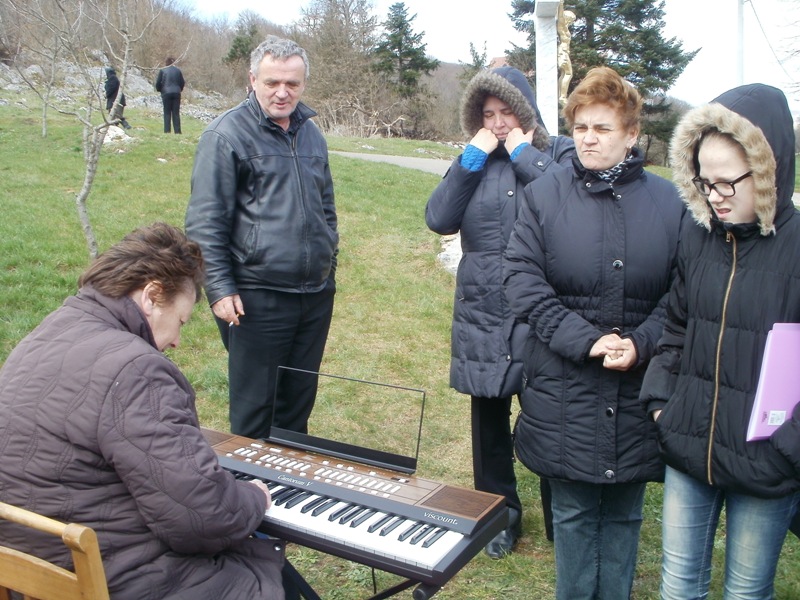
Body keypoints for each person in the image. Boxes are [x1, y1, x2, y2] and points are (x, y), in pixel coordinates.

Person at [0, 223, 287, 599]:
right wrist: (254, 497)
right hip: (114, 578)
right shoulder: (136, 368)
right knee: (252, 573)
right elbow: (201, 518)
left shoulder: (48, 332)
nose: (176, 341)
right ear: (152, 295)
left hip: (32, 566)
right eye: (180, 321)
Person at [502, 66, 684, 599]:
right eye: (580, 126)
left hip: (638, 387)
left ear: (631, 134)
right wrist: (585, 339)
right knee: (576, 513)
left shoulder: (669, 204)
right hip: (565, 387)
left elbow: (683, 290)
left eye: (602, 128)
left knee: (626, 512)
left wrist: (643, 341)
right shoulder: (544, 196)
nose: (588, 138)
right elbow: (521, 279)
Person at [640, 83, 800, 600]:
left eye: (728, 183)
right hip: (690, 443)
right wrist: (664, 403)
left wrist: (789, 445)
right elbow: (677, 325)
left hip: (766, 458)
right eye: (705, 183)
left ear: (769, 170)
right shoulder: (698, 234)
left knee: (747, 591)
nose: (715, 197)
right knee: (678, 584)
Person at [425, 66, 575, 559]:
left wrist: (521, 154)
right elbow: (439, 217)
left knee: (552, 416)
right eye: (488, 115)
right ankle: (500, 514)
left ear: (526, 113)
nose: (498, 123)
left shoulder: (557, 154)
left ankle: (563, 517)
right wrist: (473, 157)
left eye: (506, 113)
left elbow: (571, 206)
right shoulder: (473, 159)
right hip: (485, 307)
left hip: (543, 308)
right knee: (488, 421)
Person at [185, 36, 337, 440]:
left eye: (292, 83)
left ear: (304, 83)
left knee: (296, 407)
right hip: (256, 297)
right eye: (272, 82)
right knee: (255, 414)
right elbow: (204, 221)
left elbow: (327, 208)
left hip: (314, 295)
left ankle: (291, 496)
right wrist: (218, 288)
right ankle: (248, 497)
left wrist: (329, 264)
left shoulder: (311, 135)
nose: (283, 92)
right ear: (252, 79)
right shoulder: (225, 136)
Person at [155, 57, 185, 134]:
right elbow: (182, 82)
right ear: (174, 62)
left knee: (167, 112)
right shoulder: (178, 71)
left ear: (166, 63)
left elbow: (158, 83)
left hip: (166, 93)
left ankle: (167, 131)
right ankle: (177, 131)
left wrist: (160, 90)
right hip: (176, 93)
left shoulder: (162, 70)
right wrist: (179, 89)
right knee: (176, 113)